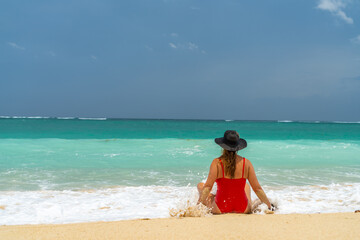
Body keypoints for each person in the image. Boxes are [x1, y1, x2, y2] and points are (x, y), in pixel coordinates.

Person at [197, 130, 273, 214]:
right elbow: (257, 189)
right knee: (246, 186)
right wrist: (269, 206)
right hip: (243, 209)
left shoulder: (217, 163)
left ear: (223, 146)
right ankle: (256, 203)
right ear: (237, 146)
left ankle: (200, 202)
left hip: (220, 208)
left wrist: (197, 207)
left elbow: (208, 187)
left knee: (201, 186)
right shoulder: (246, 163)